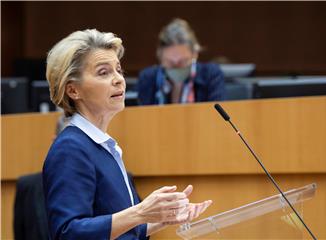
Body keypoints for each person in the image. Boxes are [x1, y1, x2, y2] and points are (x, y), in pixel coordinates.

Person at [42, 29, 212, 240]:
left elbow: (115, 229)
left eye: (118, 70)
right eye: (104, 72)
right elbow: (68, 233)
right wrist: (140, 213)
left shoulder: (103, 146)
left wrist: (159, 218)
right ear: (73, 90)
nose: (119, 80)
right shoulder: (71, 148)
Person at [137, 18, 225, 105]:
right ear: (160, 57)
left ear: (195, 54)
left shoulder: (211, 75)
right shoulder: (147, 78)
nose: (176, 67)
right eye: (170, 62)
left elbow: (216, 115)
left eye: (182, 61)